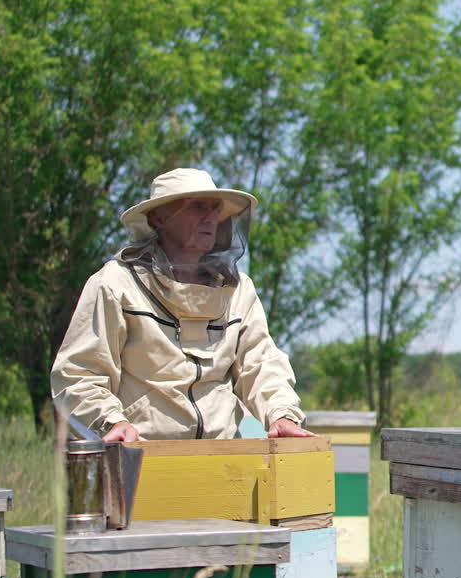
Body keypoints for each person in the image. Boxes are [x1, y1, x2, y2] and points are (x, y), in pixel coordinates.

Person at [52, 168, 315, 441]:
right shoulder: (115, 285)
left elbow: (260, 363)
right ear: (158, 216)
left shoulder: (238, 290)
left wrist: (281, 413)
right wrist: (111, 423)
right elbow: (79, 374)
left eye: (215, 209)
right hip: (140, 457)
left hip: (223, 457)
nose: (210, 217)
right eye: (197, 206)